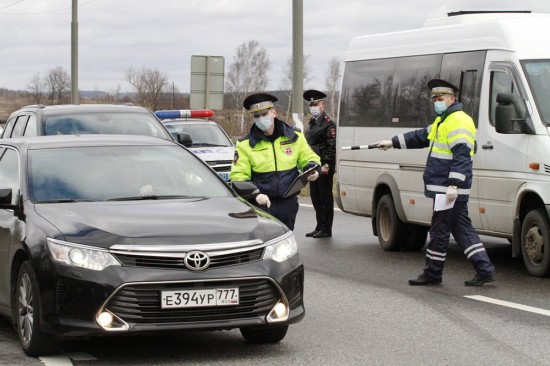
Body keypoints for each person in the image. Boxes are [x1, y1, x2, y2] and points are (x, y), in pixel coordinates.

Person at [376, 79, 496, 286]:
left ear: (451, 99)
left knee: (439, 231)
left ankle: (432, 273)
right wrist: (392, 142)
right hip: (446, 188)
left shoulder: (459, 120)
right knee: (461, 228)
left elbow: (462, 156)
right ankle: (484, 269)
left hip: (447, 189)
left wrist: (453, 185)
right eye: (434, 100)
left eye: (440, 99)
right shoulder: (444, 120)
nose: (436, 103)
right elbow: (422, 136)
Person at [230, 92, 321, 231]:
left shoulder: (294, 136)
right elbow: (238, 176)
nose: (261, 119)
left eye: (264, 114)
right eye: (256, 116)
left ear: (274, 112)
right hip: (262, 203)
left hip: (288, 203)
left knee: (286, 240)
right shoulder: (245, 144)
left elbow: (308, 157)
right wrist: (255, 194)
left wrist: (312, 168)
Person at [303, 89, 337, 238]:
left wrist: (327, 165)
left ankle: (326, 228)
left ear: (322, 105)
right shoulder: (311, 122)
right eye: (311, 104)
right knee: (315, 198)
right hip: (313, 165)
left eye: (316, 103)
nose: (313, 106)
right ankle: (319, 225)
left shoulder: (329, 124)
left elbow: (331, 146)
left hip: (324, 165)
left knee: (325, 198)